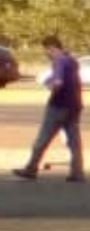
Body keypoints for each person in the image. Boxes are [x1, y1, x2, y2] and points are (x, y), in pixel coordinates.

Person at [13, 36, 84, 182]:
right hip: (74, 105)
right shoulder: (71, 60)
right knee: (74, 141)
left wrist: (51, 87)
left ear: (52, 47)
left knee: (42, 139)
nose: (46, 54)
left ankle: (31, 168)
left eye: (47, 50)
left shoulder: (59, 61)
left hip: (58, 105)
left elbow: (58, 81)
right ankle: (77, 172)